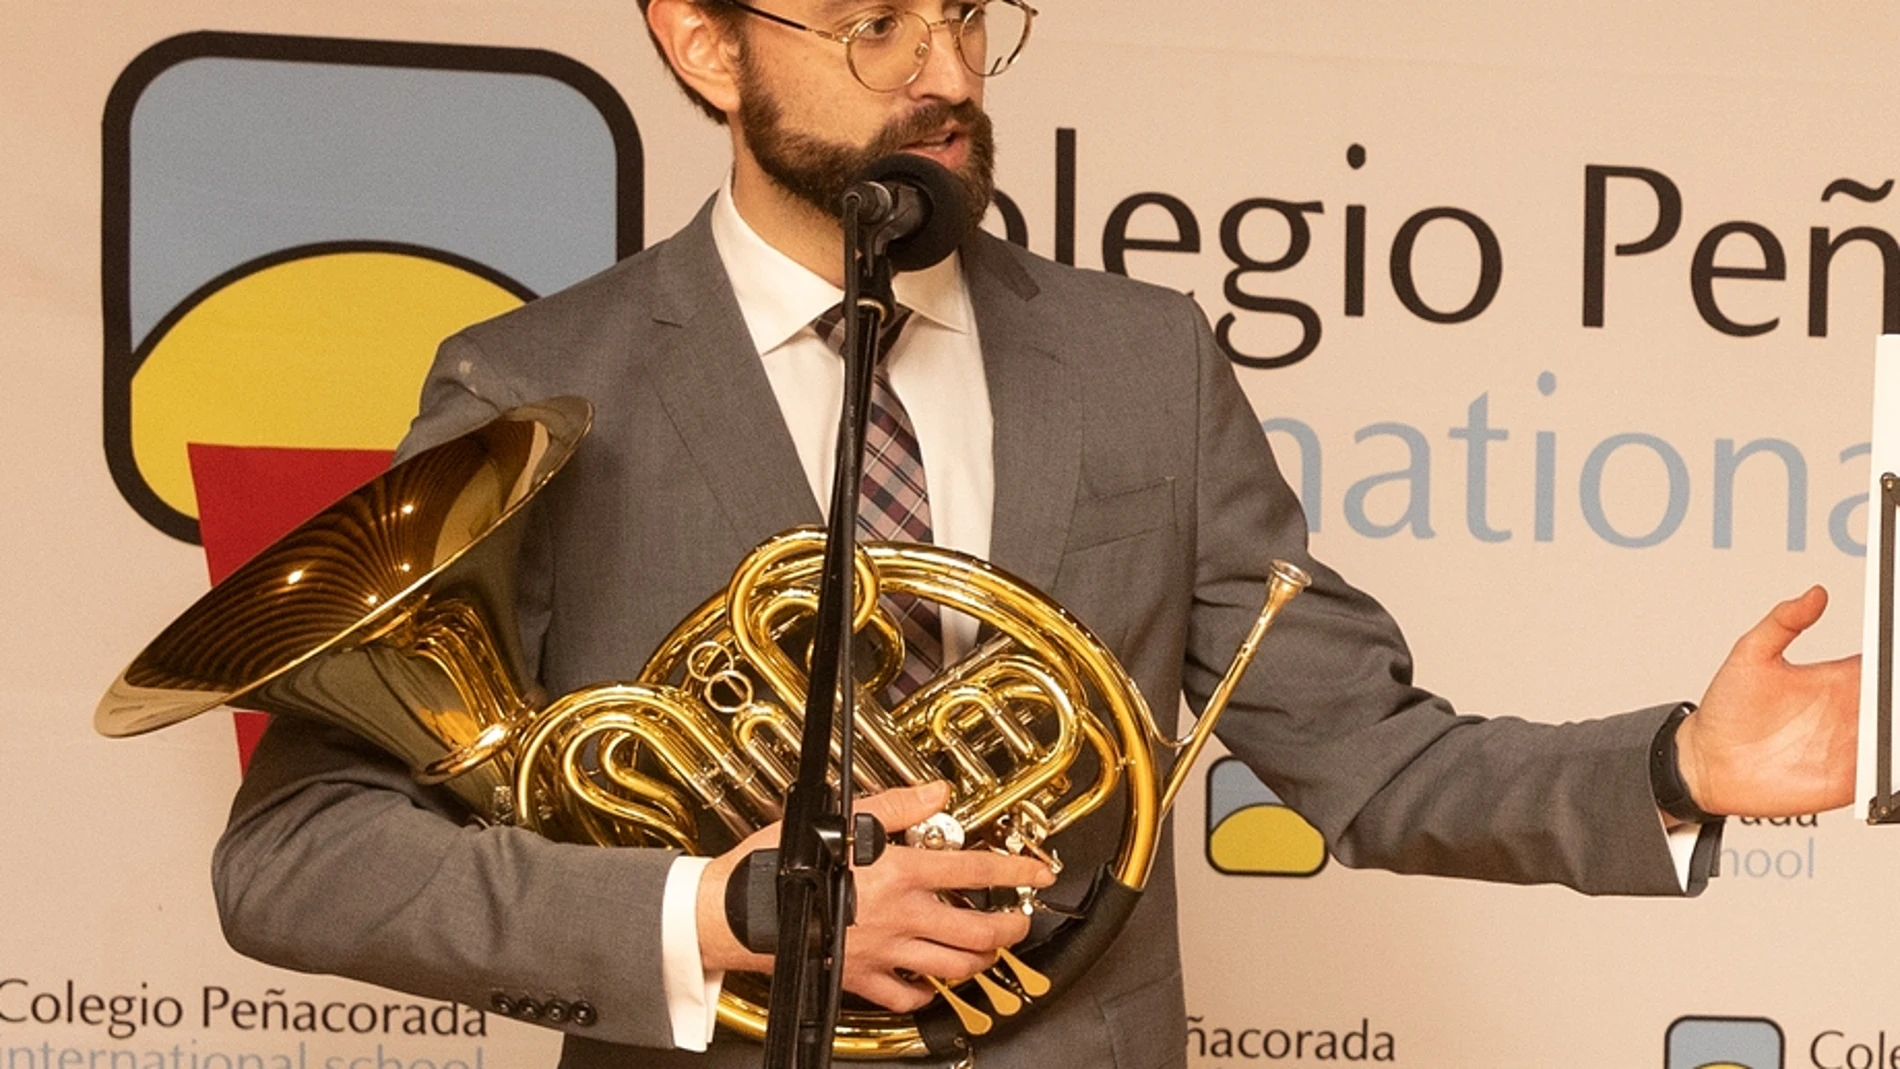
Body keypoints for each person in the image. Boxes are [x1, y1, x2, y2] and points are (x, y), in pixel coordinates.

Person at [210, 2, 1862, 1067]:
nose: (941, 72)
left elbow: (1367, 755)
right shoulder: (533, 383)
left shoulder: (1146, 363)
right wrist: (715, 914)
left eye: (965, 15)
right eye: (872, 25)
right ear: (705, 45)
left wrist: (1674, 768)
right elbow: (297, 856)